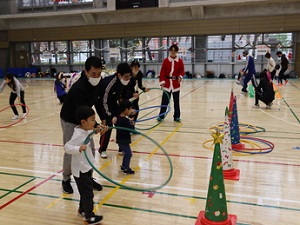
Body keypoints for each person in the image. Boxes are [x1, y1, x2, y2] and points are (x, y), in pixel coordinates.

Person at [60, 56, 107, 194]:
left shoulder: (98, 83)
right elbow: (82, 112)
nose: (97, 76)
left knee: (90, 150)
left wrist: (103, 119)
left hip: (85, 119)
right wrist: (96, 126)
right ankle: (66, 179)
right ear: (86, 72)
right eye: (93, 74)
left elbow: (98, 102)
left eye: (99, 73)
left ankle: (88, 178)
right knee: (71, 150)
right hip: (71, 119)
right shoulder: (78, 88)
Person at [64, 105, 103, 225]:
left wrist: (98, 130)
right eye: (92, 120)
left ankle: (82, 209)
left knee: (84, 192)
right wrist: (78, 148)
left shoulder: (84, 130)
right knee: (88, 194)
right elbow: (67, 147)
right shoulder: (78, 135)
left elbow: (90, 134)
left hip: (87, 167)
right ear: (83, 121)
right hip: (81, 170)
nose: (95, 122)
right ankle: (89, 216)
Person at [95, 62, 132, 159]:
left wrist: (126, 110)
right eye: (126, 76)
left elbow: (123, 97)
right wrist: (110, 115)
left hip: (114, 104)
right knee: (108, 126)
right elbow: (104, 101)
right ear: (119, 75)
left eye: (129, 76)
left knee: (121, 124)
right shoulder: (110, 83)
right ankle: (102, 149)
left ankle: (121, 147)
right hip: (103, 105)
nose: (128, 79)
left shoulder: (124, 82)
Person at [157, 44, 184, 122]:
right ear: (169, 51)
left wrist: (180, 77)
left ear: (176, 51)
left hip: (175, 84)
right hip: (167, 84)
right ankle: (161, 116)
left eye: (174, 51)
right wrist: (162, 81)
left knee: (176, 102)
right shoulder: (166, 61)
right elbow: (162, 72)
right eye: (171, 50)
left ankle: (177, 116)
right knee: (164, 101)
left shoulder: (180, 61)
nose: (173, 52)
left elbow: (182, 71)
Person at [126, 60, 150, 128]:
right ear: (131, 67)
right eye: (134, 67)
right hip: (128, 94)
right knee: (129, 110)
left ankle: (133, 125)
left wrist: (144, 89)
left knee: (136, 109)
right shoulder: (128, 75)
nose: (136, 69)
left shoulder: (139, 73)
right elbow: (125, 87)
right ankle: (129, 124)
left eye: (137, 67)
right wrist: (132, 93)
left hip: (135, 94)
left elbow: (140, 85)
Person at [115, 99, 135, 174]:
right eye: (130, 109)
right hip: (123, 140)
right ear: (126, 109)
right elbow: (131, 130)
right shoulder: (125, 120)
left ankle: (124, 166)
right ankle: (126, 168)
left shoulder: (119, 118)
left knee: (127, 153)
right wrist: (132, 124)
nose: (130, 111)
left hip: (120, 139)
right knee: (129, 154)